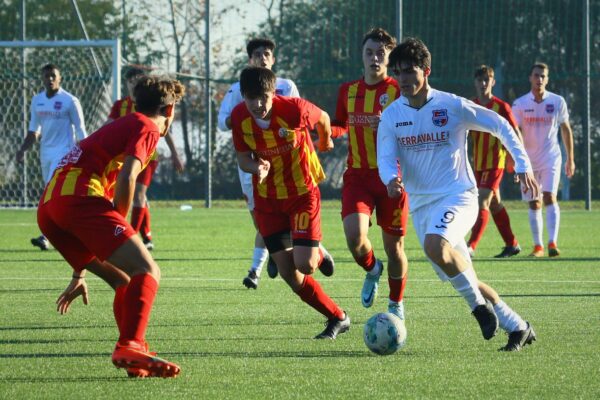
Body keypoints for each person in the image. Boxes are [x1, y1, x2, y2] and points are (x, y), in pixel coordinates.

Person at [377, 38, 538, 351]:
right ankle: (518, 326)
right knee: (461, 272)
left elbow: (500, 125)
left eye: (410, 71)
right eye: (398, 73)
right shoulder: (392, 115)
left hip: (459, 197)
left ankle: (479, 310)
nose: (404, 79)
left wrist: (522, 163)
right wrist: (391, 179)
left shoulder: (451, 105)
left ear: (427, 70)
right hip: (422, 208)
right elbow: (385, 156)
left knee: (436, 246)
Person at [37, 76, 185, 377]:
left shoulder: (124, 123)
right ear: (169, 112)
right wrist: (120, 223)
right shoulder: (147, 127)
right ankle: (130, 344)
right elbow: (129, 176)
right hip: (80, 199)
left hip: (50, 207)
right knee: (148, 269)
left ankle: (133, 354)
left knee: (123, 280)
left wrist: (79, 272)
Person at [231, 66, 349, 339]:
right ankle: (337, 316)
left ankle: (317, 252)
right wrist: (255, 168)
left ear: (274, 93)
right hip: (268, 201)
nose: (258, 104)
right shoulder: (239, 118)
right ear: (243, 96)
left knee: (305, 265)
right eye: (251, 98)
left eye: (264, 97)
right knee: (289, 274)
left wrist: (326, 139)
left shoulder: (294, 109)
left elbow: (324, 118)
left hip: (301, 193)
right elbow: (242, 158)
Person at [331, 28, 408, 319]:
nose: (374, 58)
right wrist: (327, 134)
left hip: (392, 178)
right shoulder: (348, 91)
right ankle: (372, 269)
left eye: (380, 53)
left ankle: (396, 303)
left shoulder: (398, 90)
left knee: (395, 247)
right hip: (359, 176)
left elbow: (413, 129)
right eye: (369, 52)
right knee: (354, 237)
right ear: (361, 56)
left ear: (388, 58)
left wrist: (389, 127)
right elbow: (340, 123)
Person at [218, 38, 299, 289]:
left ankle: (255, 271)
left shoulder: (287, 86)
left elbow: (299, 119)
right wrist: (245, 115)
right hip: (254, 166)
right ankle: (276, 253)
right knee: (262, 222)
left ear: (273, 60)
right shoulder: (237, 91)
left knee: (283, 217)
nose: (262, 58)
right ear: (249, 60)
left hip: (285, 164)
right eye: (257, 54)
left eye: (267, 54)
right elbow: (222, 123)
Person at [106, 67, 184, 250]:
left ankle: (129, 235)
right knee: (135, 194)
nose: (134, 84)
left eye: (137, 81)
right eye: (131, 81)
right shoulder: (120, 105)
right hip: (124, 159)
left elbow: (165, 130)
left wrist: (174, 154)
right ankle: (145, 236)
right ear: (127, 83)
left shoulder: (152, 105)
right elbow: (109, 125)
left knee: (138, 194)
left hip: (147, 156)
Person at [15, 63, 87, 251]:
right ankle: (69, 231)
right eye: (47, 76)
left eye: (53, 76)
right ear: (42, 78)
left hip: (65, 152)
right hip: (45, 154)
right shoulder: (37, 100)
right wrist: (22, 150)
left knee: (50, 192)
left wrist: (86, 151)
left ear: (60, 78)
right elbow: (34, 130)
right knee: (55, 193)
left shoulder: (70, 101)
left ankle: (46, 236)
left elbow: (80, 129)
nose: (50, 79)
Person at [512, 63, 575, 257]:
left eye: (543, 76)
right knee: (534, 202)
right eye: (536, 75)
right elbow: (514, 133)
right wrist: (517, 162)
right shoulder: (520, 104)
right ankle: (538, 246)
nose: (539, 79)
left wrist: (570, 159)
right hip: (528, 161)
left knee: (549, 197)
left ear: (547, 79)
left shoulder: (557, 102)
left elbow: (566, 130)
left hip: (551, 158)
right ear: (530, 78)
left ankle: (552, 243)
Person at [466, 65, 522, 258]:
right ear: (475, 82)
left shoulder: (501, 107)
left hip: (495, 162)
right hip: (478, 164)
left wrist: (518, 162)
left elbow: (515, 135)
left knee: (482, 201)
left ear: (493, 82)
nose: (483, 83)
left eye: (487, 80)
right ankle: (512, 244)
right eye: (480, 80)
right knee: (495, 204)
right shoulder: (470, 106)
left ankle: (470, 247)